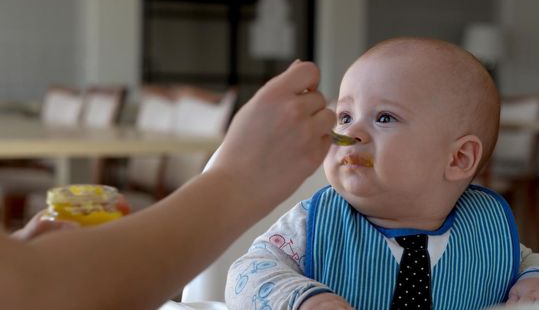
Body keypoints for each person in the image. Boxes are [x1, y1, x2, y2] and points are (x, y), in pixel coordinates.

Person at [225, 38, 539, 310]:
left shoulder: (484, 228)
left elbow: (529, 263)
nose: (352, 133)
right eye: (345, 117)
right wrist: (302, 299)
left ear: (458, 158)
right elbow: (246, 274)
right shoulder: (312, 224)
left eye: (385, 118)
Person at [0, 60, 336, 310]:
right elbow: (38, 292)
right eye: (347, 116)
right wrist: (239, 179)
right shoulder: (311, 219)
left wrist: (24, 253)